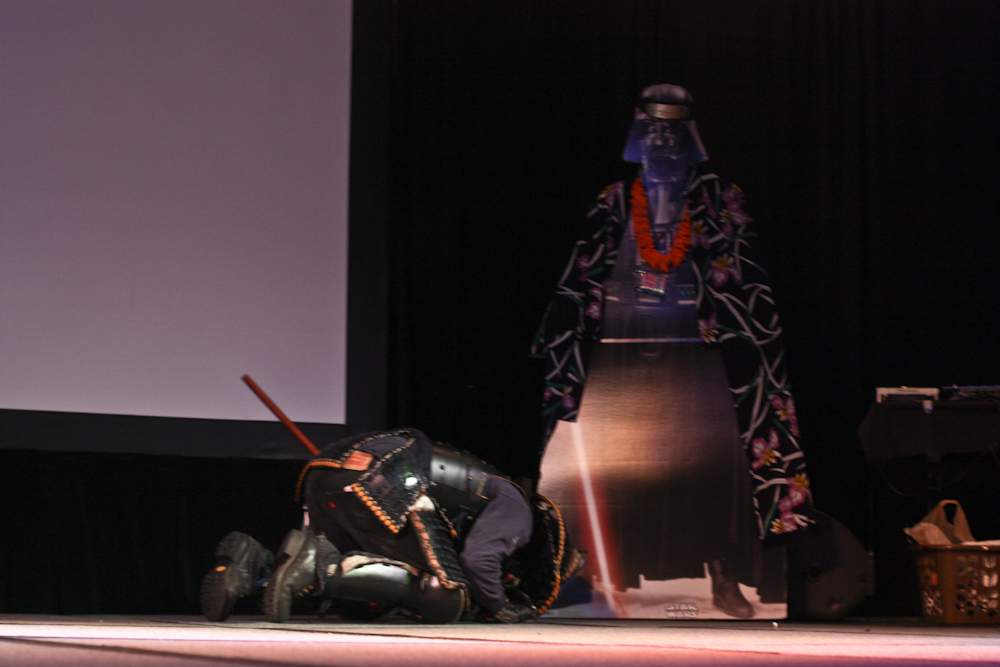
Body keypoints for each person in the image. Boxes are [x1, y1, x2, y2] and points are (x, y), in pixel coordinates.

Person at [532, 85, 814, 618]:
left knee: (707, 472)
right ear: (639, 135)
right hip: (622, 357)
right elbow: (584, 275)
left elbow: (740, 275)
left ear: (689, 138)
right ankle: (594, 576)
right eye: (652, 131)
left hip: (698, 357)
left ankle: (723, 577)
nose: (662, 143)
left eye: (673, 132)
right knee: (617, 470)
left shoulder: (718, 198)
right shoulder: (615, 199)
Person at [200, 428, 582, 624]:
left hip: (325, 473)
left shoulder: (495, 490)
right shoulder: (519, 510)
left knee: (348, 574)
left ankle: (252, 563)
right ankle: (319, 569)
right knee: (445, 595)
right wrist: (498, 605)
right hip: (385, 476)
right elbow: (479, 561)